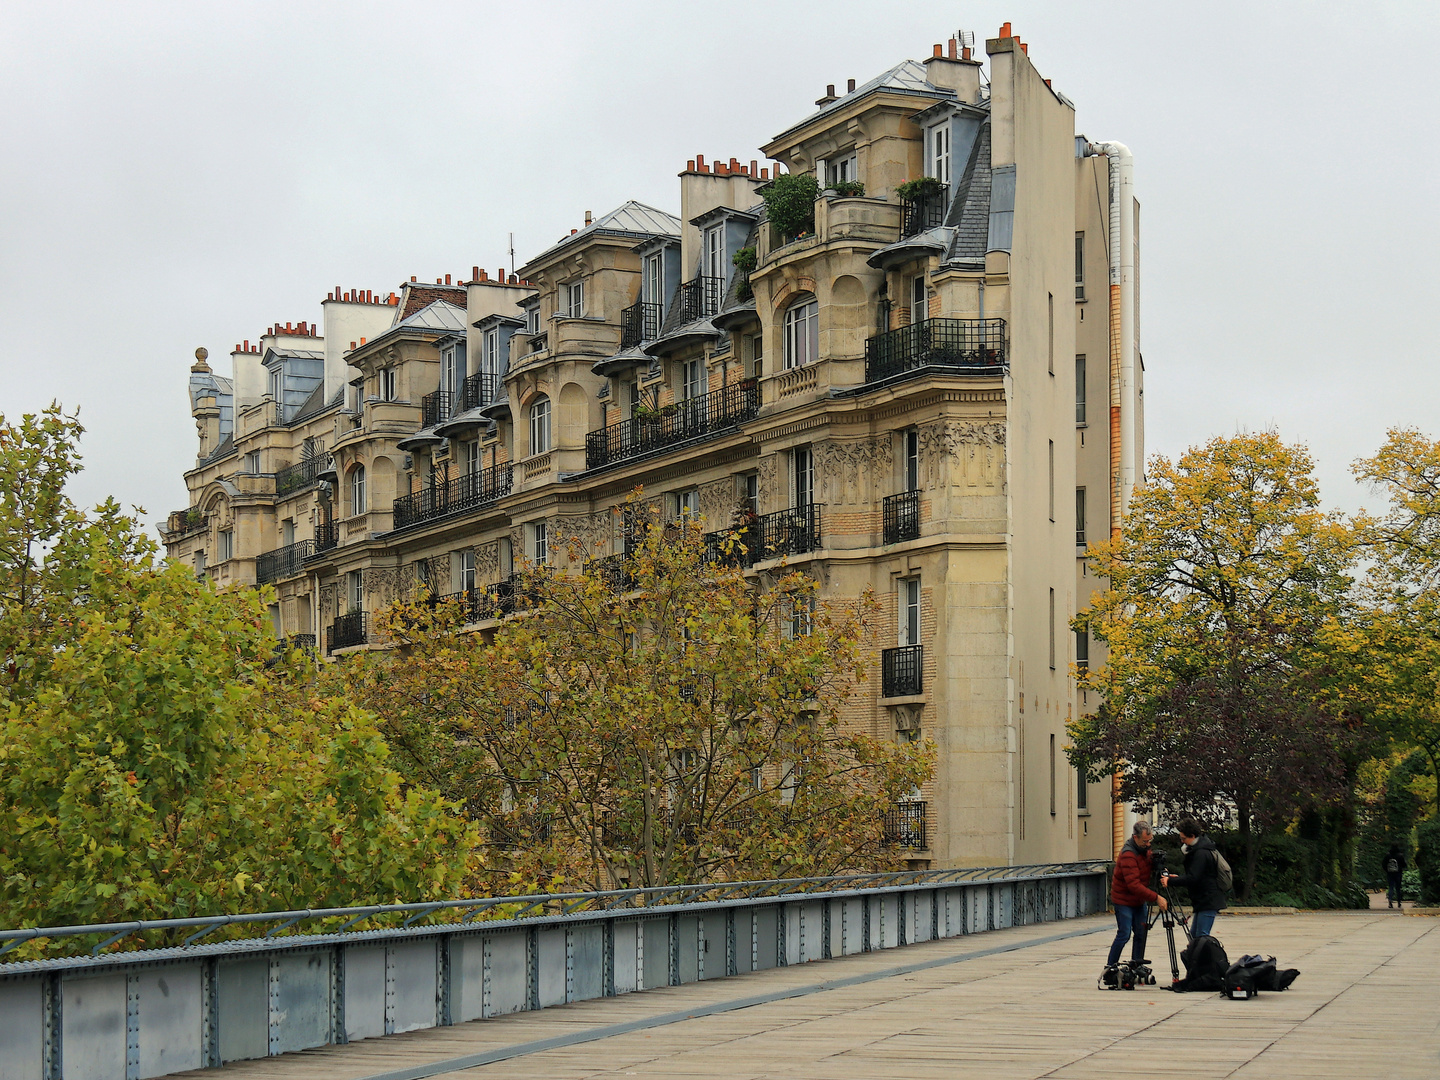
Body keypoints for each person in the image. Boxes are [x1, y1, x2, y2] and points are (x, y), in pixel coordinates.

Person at [1105, 819, 1167, 982]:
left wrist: (1161, 868)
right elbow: (1134, 885)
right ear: (1135, 837)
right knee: (1124, 933)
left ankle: (1136, 966)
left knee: (1141, 932)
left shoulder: (1144, 850)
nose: (1148, 844)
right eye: (1145, 841)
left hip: (1138, 901)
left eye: (1150, 840)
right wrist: (1156, 897)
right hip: (1123, 900)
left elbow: (1147, 867)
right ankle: (1110, 968)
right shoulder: (1128, 854)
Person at [1160, 815, 1227, 939]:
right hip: (1204, 900)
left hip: (1207, 900)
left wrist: (1171, 881)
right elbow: (1197, 876)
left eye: (1183, 838)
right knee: (1195, 937)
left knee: (1201, 938)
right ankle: (1198, 957)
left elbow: (1193, 878)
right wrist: (1176, 878)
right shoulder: (1202, 849)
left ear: (1192, 836)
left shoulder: (1201, 853)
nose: (1182, 841)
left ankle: (1203, 958)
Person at [1383, 844, 1408, 909]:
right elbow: (1404, 865)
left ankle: (1390, 900)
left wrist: (1387, 870)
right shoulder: (1400, 856)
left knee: (1391, 887)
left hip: (1390, 873)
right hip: (1398, 873)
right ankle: (1399, 902)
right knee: (1398, 888)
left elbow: (1383, 864)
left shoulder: (1387, 856)